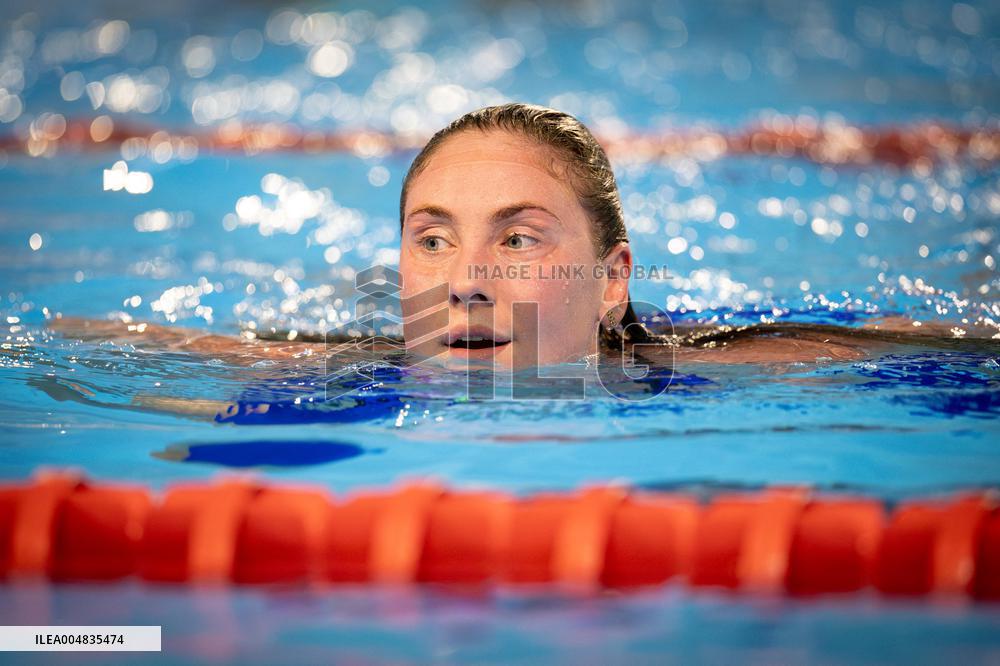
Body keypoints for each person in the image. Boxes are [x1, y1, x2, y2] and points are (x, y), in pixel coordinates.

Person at [49, 103, 988, 396]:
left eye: (519, 238)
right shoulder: (342, 370)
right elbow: (88, 343)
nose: (464, 282)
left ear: (612, 279)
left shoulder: (736, 368)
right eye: (432, 240)